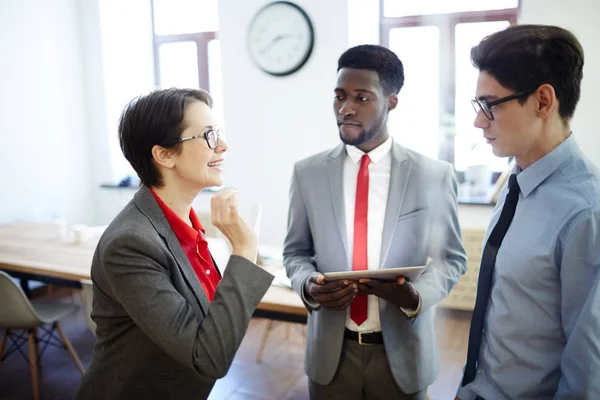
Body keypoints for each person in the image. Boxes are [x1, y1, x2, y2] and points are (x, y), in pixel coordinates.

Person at [284, 44, 467, 400]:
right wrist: (308, 285)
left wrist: (415, 296)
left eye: (361, 97)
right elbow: (295, 253)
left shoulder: (434, 176)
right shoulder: (307, 173)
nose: (345, 108)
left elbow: (451, 259)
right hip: (330, 356)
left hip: (403, 354)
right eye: (339, 96)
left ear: (391, 102)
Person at [76, 88, 273, 399]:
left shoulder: (186, 227)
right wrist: (245, 251)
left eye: (218, 133)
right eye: (209, 135)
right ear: (164, 155)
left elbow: (214, 326)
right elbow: (209, 357)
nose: (223, 145)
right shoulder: (130, 243)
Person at [457, 25, 600, 400]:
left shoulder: (585, 212)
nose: (478, 121)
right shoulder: (517, 181)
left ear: (542, 101)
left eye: (490, 104)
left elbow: (587, 372)